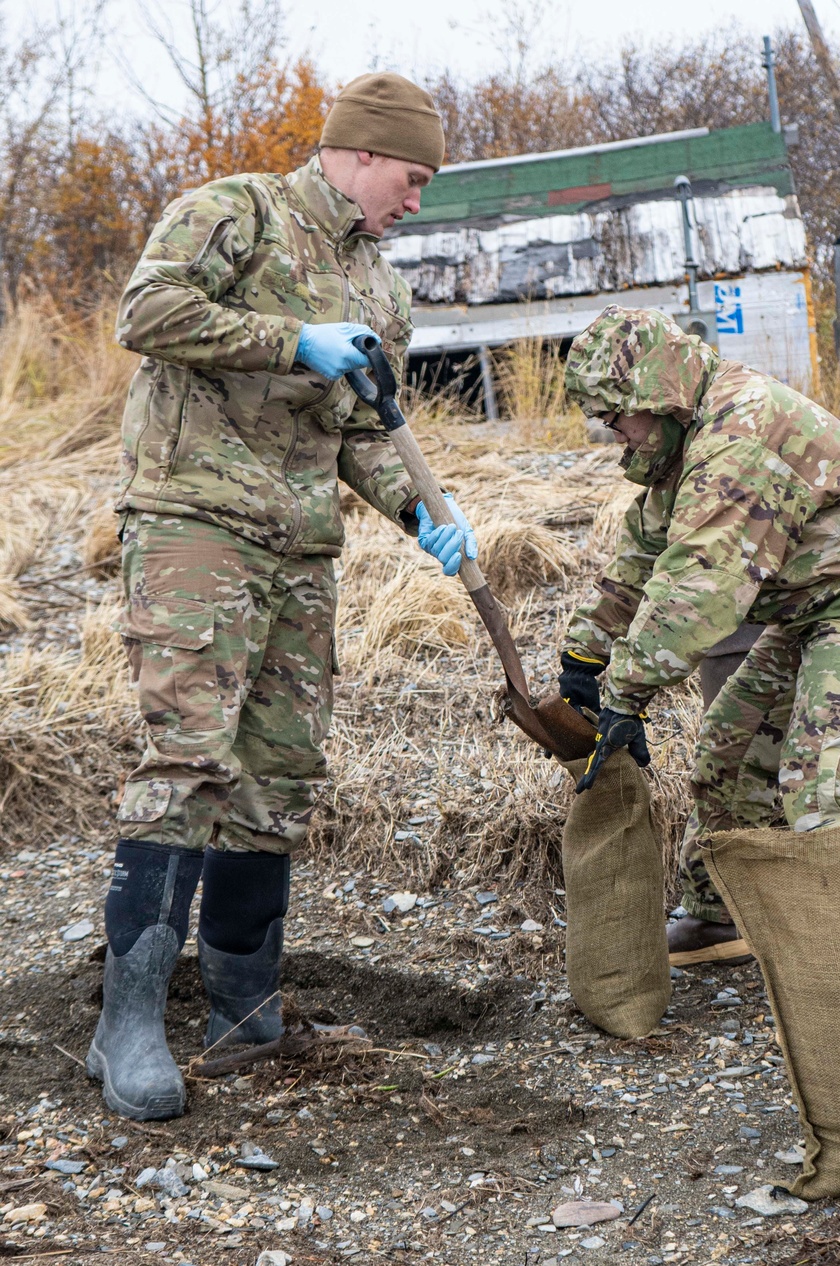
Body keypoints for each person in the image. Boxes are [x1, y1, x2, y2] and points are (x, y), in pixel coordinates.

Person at [87, 73, 478, 1122]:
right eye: (411, 178)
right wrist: (287, 336)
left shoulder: (384, 291)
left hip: (302, 545)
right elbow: (146, 309)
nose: (416, 200)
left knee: (278, 771)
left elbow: (364, 431)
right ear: (358, 154)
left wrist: (420, 513)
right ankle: (124, 1024)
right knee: (190, 758)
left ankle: (242, 1009)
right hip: (195, 523)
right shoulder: (236, 212)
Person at [558, 304, 840, 964]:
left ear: (651, 393)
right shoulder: (684, 435)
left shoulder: (735, 436)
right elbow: (643, 552)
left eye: (615, 416)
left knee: (824, 781)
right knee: (731, 752)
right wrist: (586, 651)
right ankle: (727, 919)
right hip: (817, 603)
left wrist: (625, 697)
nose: (613, 434)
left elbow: (698, 588)